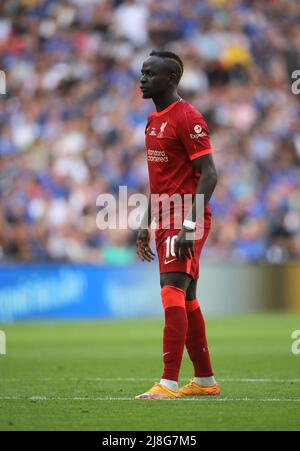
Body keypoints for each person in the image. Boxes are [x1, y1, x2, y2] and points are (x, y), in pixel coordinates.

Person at [135, 50, 220, 400]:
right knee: (186, 298)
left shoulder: (188, 117)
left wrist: (188, 225)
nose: (142, 79)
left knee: (171, 289)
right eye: (142, 72)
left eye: (150, 73)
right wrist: (145, 223)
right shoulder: (153, 120)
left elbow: (210, 174)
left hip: (186, 215)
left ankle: (168, 383)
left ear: (170, 79)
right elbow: (160, 181)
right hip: (166, 214)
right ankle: (204, 381)